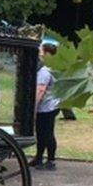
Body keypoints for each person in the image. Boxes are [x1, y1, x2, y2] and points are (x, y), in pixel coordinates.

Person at [32, 39, 61, 170]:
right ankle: (39, 157)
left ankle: (50, 161)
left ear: (48, 53)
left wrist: (33, 106)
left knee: (46, 133)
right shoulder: (55, 68)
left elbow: (41, 89)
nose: (40, 54)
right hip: (52, 105)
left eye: (42, 52)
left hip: (47, 107)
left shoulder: (45, 71)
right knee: (42, 133)